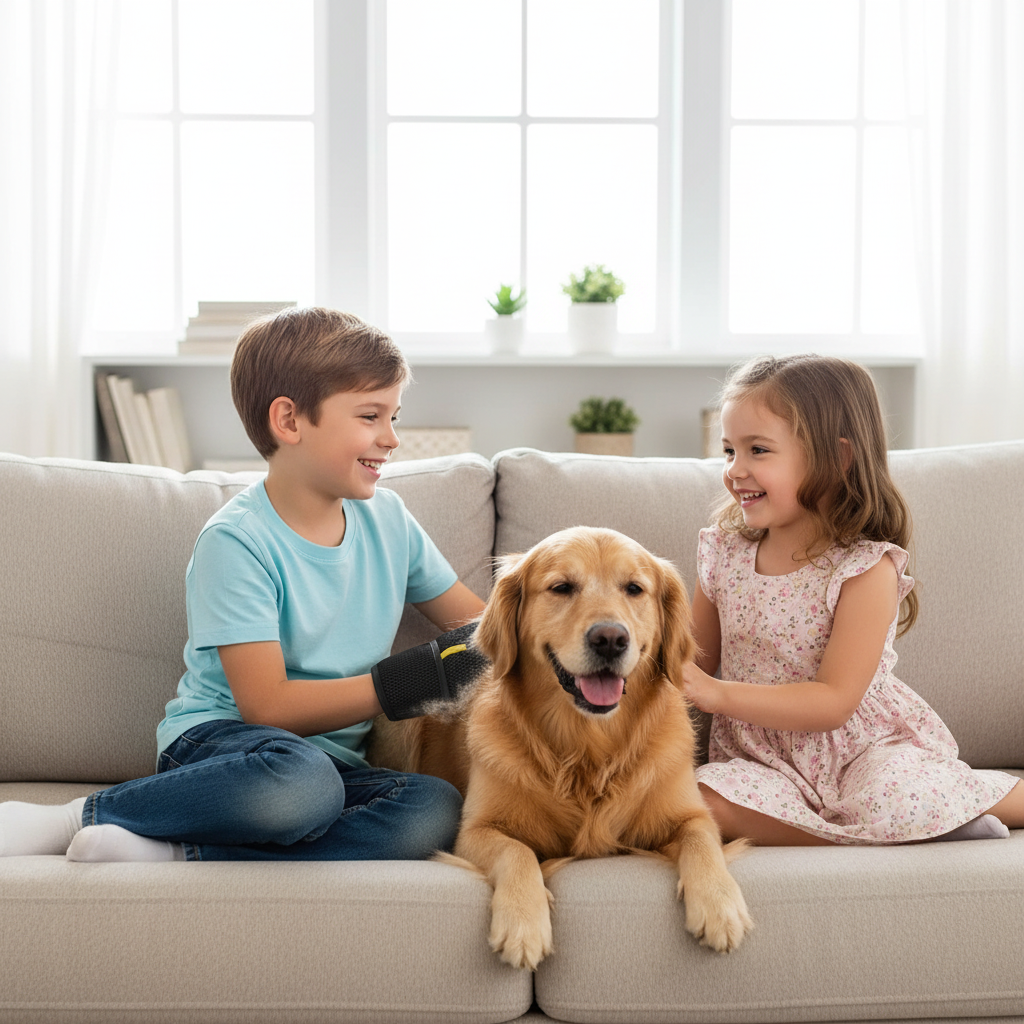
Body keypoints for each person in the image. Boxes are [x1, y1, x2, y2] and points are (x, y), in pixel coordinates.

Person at [0, 307, 486, 863]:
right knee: (299, 785)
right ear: (289, 421)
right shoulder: (237, 540)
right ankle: (77, 817)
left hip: (331, 770)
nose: (392, 438)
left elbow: (477, 627)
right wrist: (405, 682)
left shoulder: (391, 520)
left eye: (394, 416)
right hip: (221, 750)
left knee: (434, 808)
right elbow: (267, 707)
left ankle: (181, 853)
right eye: (371, 416)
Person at [682, 354, 1023, 846]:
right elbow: (694, 660)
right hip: (758, 756)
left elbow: (834, 701)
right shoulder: (723, 553)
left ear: (837, 458)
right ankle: (916, 833)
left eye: (758, 450)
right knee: (700, 802)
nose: (736, 471)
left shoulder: (865, 568)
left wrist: (716, 693)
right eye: (729, 451)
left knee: (898, 796)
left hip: (862, 751)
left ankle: (944, 813)